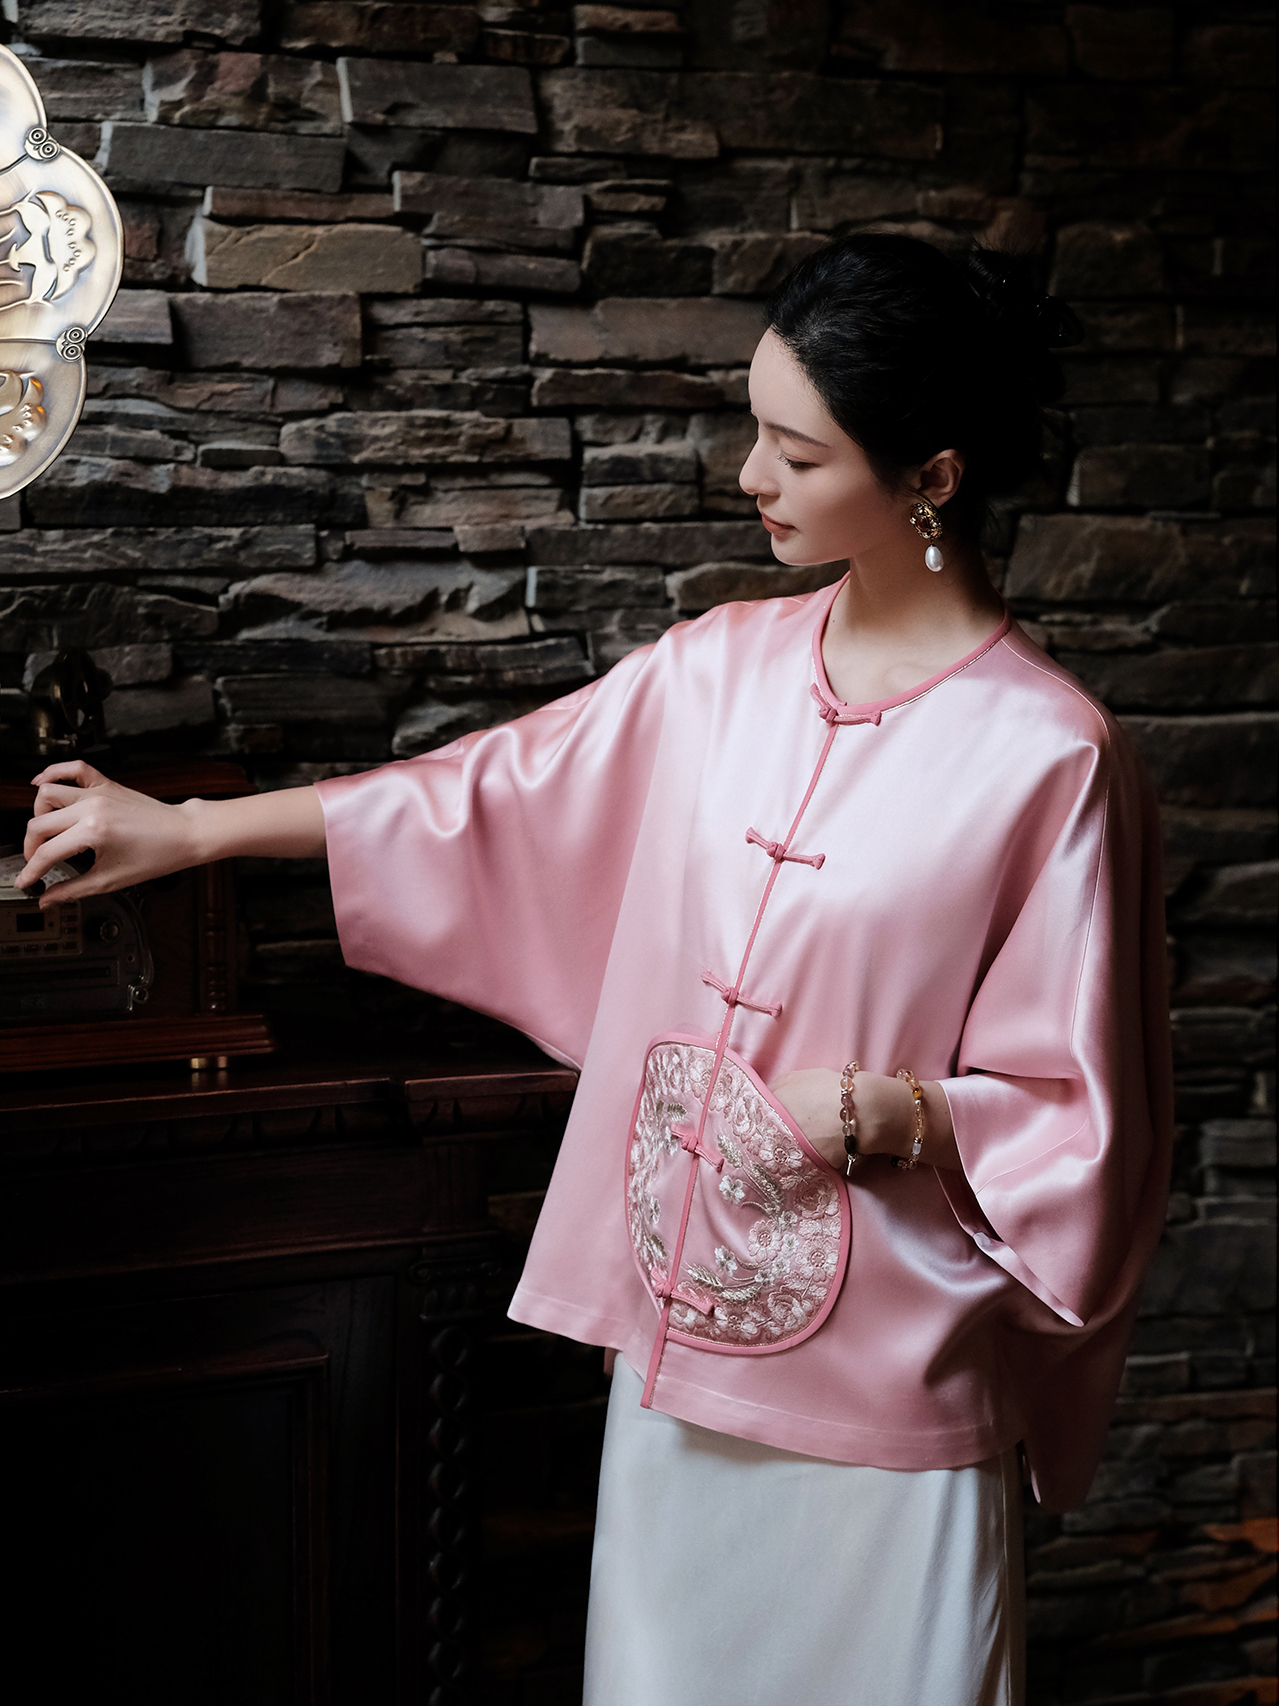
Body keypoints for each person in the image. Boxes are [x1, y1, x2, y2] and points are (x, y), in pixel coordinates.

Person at [18, 234, 1173, 1706]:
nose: (750, 475)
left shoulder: (1053, 757)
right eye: (754, 429)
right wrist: (192, 831)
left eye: (798, 454)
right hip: (680, 1366)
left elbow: (1089, 1119)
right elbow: (483, 798)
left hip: (893, 1391)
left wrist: (893, 1111)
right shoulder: (716, 669)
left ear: (931, 478)